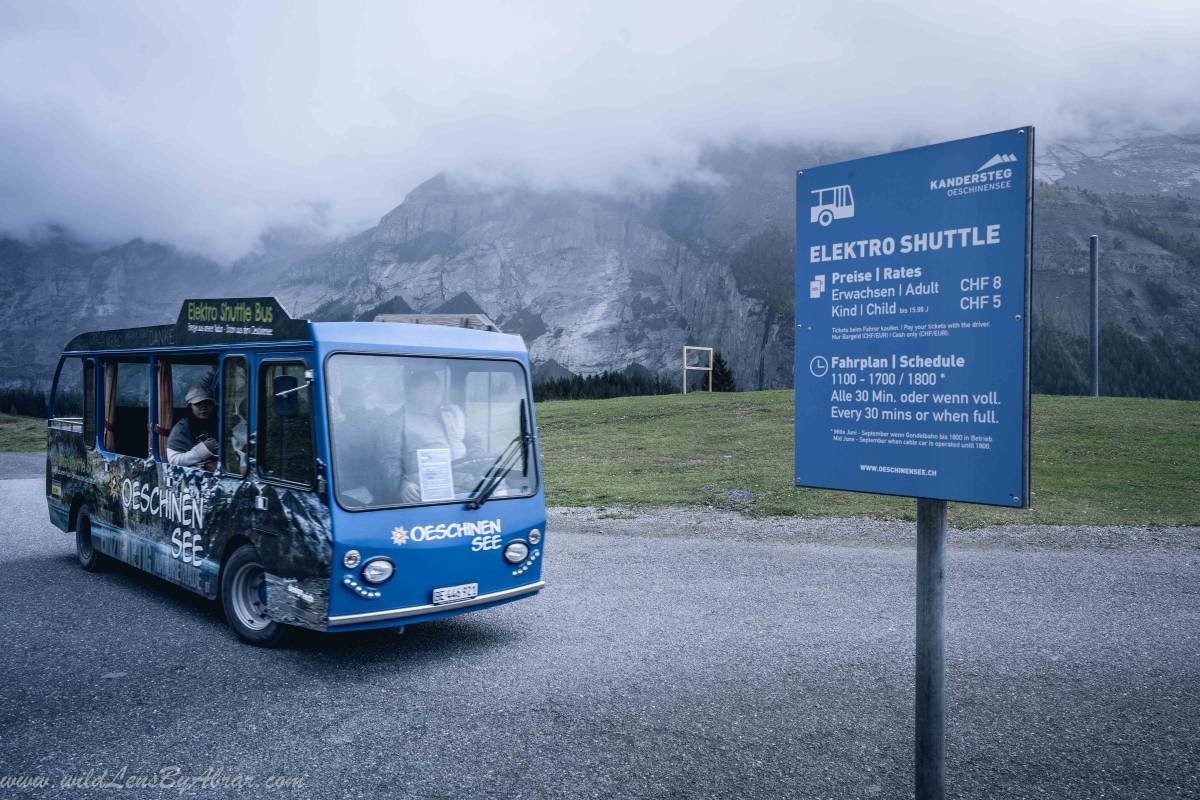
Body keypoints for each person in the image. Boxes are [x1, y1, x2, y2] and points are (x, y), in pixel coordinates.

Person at [399, 369, 480, 503]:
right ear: (411, 393)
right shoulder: (399, 420)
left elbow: (475, 441)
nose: (433, 395)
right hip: (424, 491)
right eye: (427, 390)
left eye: (436, 390)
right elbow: (388, 461)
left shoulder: (454, 414)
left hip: (464, 486)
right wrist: (402, 484)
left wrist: (475, 461)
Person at [167, 386, 218, 469]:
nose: (204, 407)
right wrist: (203, 450)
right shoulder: (181, 428)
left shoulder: (218, 423)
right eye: (198, 404)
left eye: (207, 403)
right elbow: (173, 460)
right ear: (190, 406)